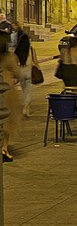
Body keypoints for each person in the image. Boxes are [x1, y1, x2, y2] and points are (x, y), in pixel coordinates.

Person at [0, 31, 21, 162]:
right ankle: (4, 148)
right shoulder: (10, 57)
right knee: (8, 119)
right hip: (7, 88)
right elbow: (18, 73)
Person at [11, 22, 34, 118]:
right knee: (28, 91)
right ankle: (25, 108)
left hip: (20, 69)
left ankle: (26, 109)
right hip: (28, 69)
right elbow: (34, 60)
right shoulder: (30, 49)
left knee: (24, 90)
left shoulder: (18, 52)